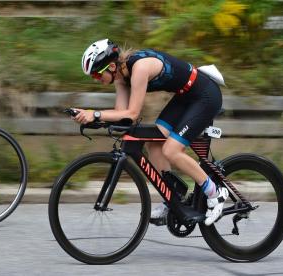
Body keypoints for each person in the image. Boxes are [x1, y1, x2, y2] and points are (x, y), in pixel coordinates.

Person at [73, 39, 228, 226]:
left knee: (171, 150)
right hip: (185, 97)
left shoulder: (139, 69)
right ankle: (173, 197)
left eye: (97, 75)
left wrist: (96, 114)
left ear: (112, 66)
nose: (96, 80)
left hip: (205, 95)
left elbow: (132, 113)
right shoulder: (120, 79)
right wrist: (91, 117)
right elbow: (123, 117)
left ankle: (215, 193)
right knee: (154, 144)